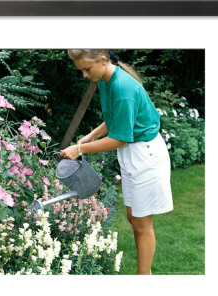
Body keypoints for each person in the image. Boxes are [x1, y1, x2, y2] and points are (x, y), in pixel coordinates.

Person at [60, 50, 173, 275]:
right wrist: (92, 136)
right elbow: (114, 118)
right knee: (134, 218)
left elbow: (120, 138)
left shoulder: (122, 88)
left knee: (142, 225)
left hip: (145, 155)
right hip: (134, 154)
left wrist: (79, 148)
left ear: (103, 61)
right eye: (81, 70)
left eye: (87, 69)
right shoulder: (106, 80)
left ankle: (143, 280)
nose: (84, 75)